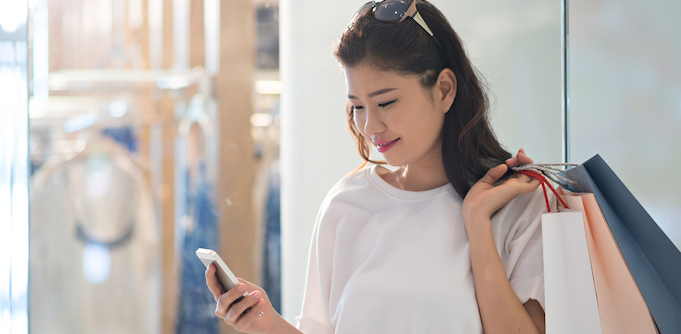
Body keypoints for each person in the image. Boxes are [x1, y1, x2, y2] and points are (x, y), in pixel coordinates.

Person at [205, 1, 550, 333]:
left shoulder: (518, 206)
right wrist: (267, 325)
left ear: (444, 89)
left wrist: (477, 224)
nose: (369, 126)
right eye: (357, 106)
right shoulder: (346, 204)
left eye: (385, 102)